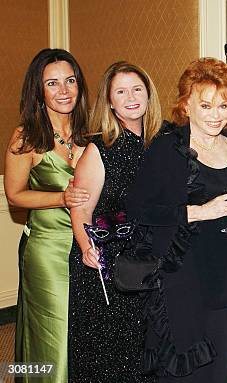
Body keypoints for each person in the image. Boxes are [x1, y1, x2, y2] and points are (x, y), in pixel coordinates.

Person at [125, 57, 227, 382]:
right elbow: (137, 209)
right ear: (186, 105)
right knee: (185, 368)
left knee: (218, 368)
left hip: (223, 275)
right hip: (182, 278)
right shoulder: (168, 149)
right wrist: (200, 211)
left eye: (223, 106)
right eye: (206, 105)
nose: (216, 115)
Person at [68, 61, 162, 381]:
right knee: (111, 358)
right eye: (121, 91)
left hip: (150, 261)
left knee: (147, 350)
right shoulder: (100, 149)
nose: (131, 97)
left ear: (148, 95)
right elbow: (80, 209)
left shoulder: (162, 144)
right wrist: (85, 247)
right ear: (109, 101)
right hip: (107, 265)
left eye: (137, 89)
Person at [4, 48, 90, 383]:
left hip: (87, 247)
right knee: (53, 334)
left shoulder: (90, 131)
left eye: (70, 80)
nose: (64, 90)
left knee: (84, 333)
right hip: (47, 250)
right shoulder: (26, 136)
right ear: (38, 90)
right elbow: (14, 194)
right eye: (52, 83)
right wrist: (62, 198)